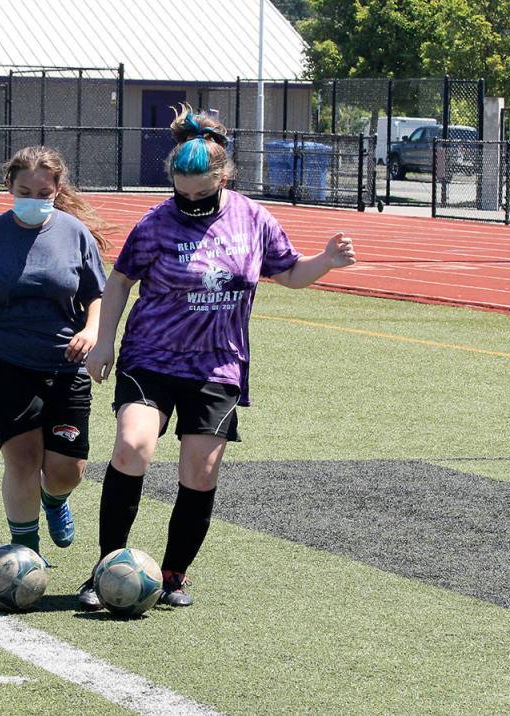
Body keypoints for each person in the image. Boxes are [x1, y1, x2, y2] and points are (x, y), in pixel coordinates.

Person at [79, 105, 356, 609]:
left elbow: (288, 272)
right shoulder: (156, 222)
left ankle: (172, 576)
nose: (190, 202)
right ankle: (106, 568)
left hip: (218, 365)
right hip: (152, 358)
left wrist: (326, 263)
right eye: (181, 193)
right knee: (131, 449)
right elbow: (120, 280)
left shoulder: (253, 218)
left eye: (201, 192)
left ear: (223, 175)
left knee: (200, 473)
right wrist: (104, 339)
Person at [0, 146, 113, 561]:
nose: (34, 199)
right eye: (24, 190)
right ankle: (25, 553)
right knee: (22, 457)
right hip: (3, 360)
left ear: (57, 189)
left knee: (66, 470)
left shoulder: (75, 233)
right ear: (9, 187)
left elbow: (98, 294)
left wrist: (91, 330)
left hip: (65, 363)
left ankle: (54, 500)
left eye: (43, 192)